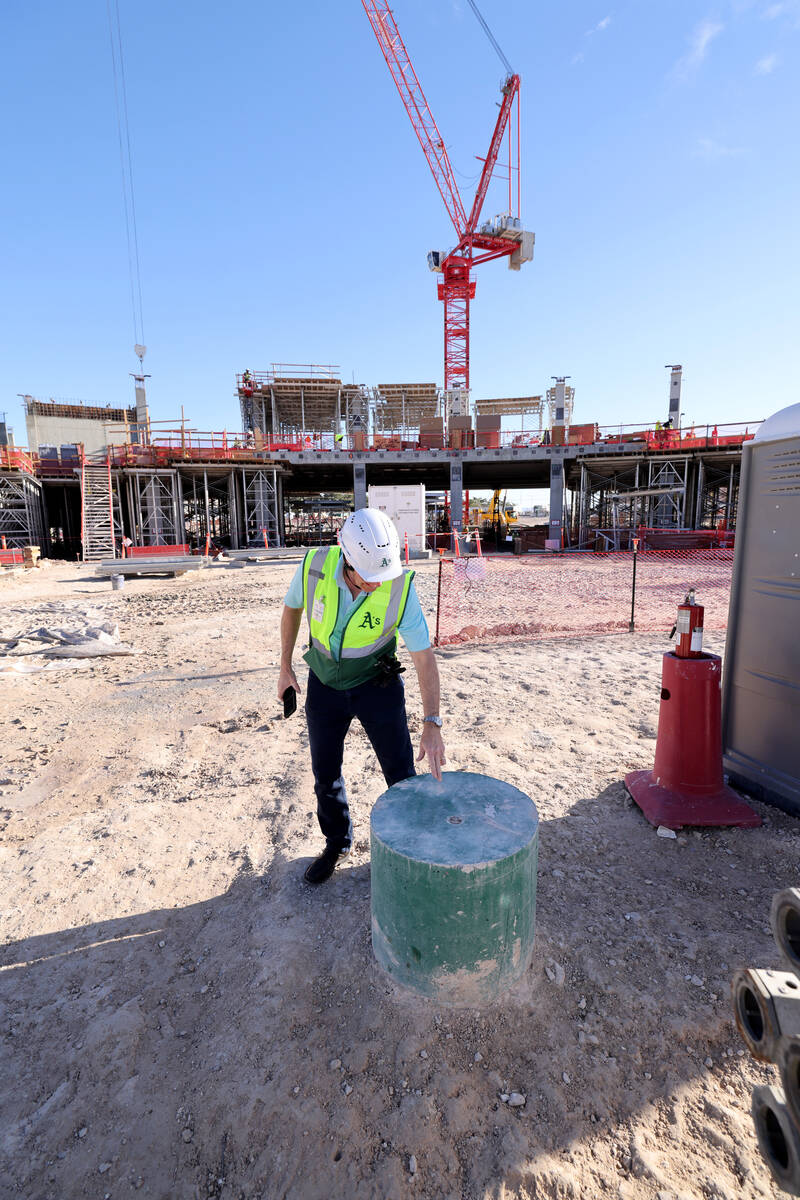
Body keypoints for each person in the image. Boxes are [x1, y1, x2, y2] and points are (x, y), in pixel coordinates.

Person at [277, 507, 446, 885]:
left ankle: (410, 847)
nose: (377, 584)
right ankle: (337, 844)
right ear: (346, 556)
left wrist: (432, 721)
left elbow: (423, 656)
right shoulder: (315, 565)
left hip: (377, 687)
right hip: (324, 685)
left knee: (400, 774)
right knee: (326, 775)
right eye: (369, 577)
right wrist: (285, 666)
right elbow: (291, 608)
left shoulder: (399, 585)